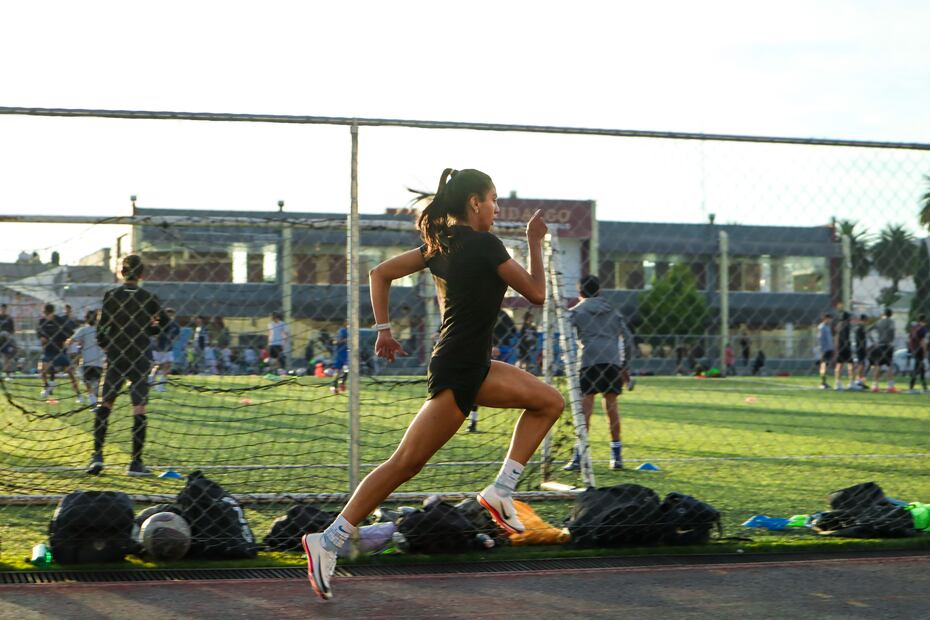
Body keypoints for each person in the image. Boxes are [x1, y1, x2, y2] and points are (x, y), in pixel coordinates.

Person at [301, 168, 561, 600]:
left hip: (473, 363)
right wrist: (535, 242)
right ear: (475, 203)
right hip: (461, 369)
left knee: (548, 402)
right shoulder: (483, 244)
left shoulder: (437, 247)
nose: (497, 208)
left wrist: (384, 328)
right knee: (405, 463)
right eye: (493, 199)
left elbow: (379, 273)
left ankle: (500, 490)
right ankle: (328, 539)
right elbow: (536, 293)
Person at [88, 255, 169, 476]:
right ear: (142, 274)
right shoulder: (147, 297)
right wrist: (149, 331)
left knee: (105, 404)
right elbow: (165, 321)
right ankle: (135, 463)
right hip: (140, 355)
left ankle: (97, 457)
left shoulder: (112, 295)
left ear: (122, 273)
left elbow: (102, 326)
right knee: (139, 408)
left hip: (117, 353)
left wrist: (105, 344)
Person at [563, 274, 630, 471]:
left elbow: (566, 336)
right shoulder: (613, 312)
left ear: (580, 292)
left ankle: (579, 456)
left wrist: (567, 361)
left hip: (589, 361)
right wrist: (625, 364)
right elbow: (628, 337)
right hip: (611, 361)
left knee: (585, 409)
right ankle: (616, 457)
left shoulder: (575, 312)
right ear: (599, 290)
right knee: (612, 407)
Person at [37, 303, 81, 401]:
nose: (45, 315)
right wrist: (41, 337)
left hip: (59, 350)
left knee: (70, 372)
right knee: (41, 369)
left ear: (52, 313)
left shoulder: (60, 321)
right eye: (44, 313)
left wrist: (67, 341)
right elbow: (38, 332)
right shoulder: (41, 321)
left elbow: (71, 333)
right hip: (48, 350)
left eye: (47, 313)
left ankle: (78, 395)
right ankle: (46, 386)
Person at [67, 310, 104, 406]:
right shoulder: (101, 330)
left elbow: (71, 341)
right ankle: (95, 398)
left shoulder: (83, 330)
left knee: (87, 381)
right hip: (99, 362)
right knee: (98, 382)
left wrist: (77, 344)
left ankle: (92, 398)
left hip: (87, 361)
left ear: (86, 319)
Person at [149, 307, 179, 391]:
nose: (170, 317)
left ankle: (161, 385)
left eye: (172, 315)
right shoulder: (159, 323)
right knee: (157, 366)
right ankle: (151, 380)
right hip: (157, 347)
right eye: (168, 315)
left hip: (168, 348)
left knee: (168, 365)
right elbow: (153, 334)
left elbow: (176, 335)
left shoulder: (175, 326)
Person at [869, 308, 896, 393]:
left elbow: (868, 330)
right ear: (891, 314)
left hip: (879, 344)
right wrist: (891, 341)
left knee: (877, 365)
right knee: (889, 366)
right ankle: (890, 386)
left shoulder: (879, 322)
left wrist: (873, 341)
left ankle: (875, 385)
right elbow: (892, 332)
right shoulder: (891, 322)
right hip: (887, 345)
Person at [833, 311, 854, 391]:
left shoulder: (838, 325)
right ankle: (851, 382)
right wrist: (847, 346)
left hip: (839, 347)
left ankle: (837, 382)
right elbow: (846, 337)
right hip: (845, 348)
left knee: (839, 365)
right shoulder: (846, 325)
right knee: (851, 365)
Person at [907, 314, 928, 393]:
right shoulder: (923, 329)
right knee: (917, 368)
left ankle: (924, 387)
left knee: (920, 368)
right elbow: (923, 342)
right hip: (920, 351)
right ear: (924, 321)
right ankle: (912, 387)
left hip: (914, 350)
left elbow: (909, 338)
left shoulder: (914, 328)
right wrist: (925, 352)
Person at [852, 314, 870, 390]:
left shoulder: (861, 328)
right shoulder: (860, 328)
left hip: (861, 348)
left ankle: (861, 381)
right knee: (861, 365)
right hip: (860, 349)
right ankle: (858, 380)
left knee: (862, 364)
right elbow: (860, 341)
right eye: (865, 321)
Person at [817, 313, 834, 389]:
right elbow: (820, 339)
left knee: (826, 365)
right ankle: (822, 382)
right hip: (824, 349)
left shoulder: (828, 327)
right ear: (825, 318)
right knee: (823, 365)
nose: (830, 320)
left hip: (829, 349)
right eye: (829, 319)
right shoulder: (822, 327)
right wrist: (822, 349)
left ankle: (824, 382)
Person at [330, 324, 348, 393]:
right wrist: (344, 340)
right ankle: (334, 385)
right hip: (339, 354)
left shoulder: (355, 331)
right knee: (338, 371)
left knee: (347, 369)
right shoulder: (342, 331)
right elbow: (335, 342)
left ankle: (342, 382)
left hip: (348, 354)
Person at [0, 303, 15, 378]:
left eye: (4, 309)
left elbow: (12, 330)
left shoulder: (9, 318)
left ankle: (8, 374)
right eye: (2, 308)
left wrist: (9, 336)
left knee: (7, 357)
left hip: (7, 341)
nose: (3, 310)